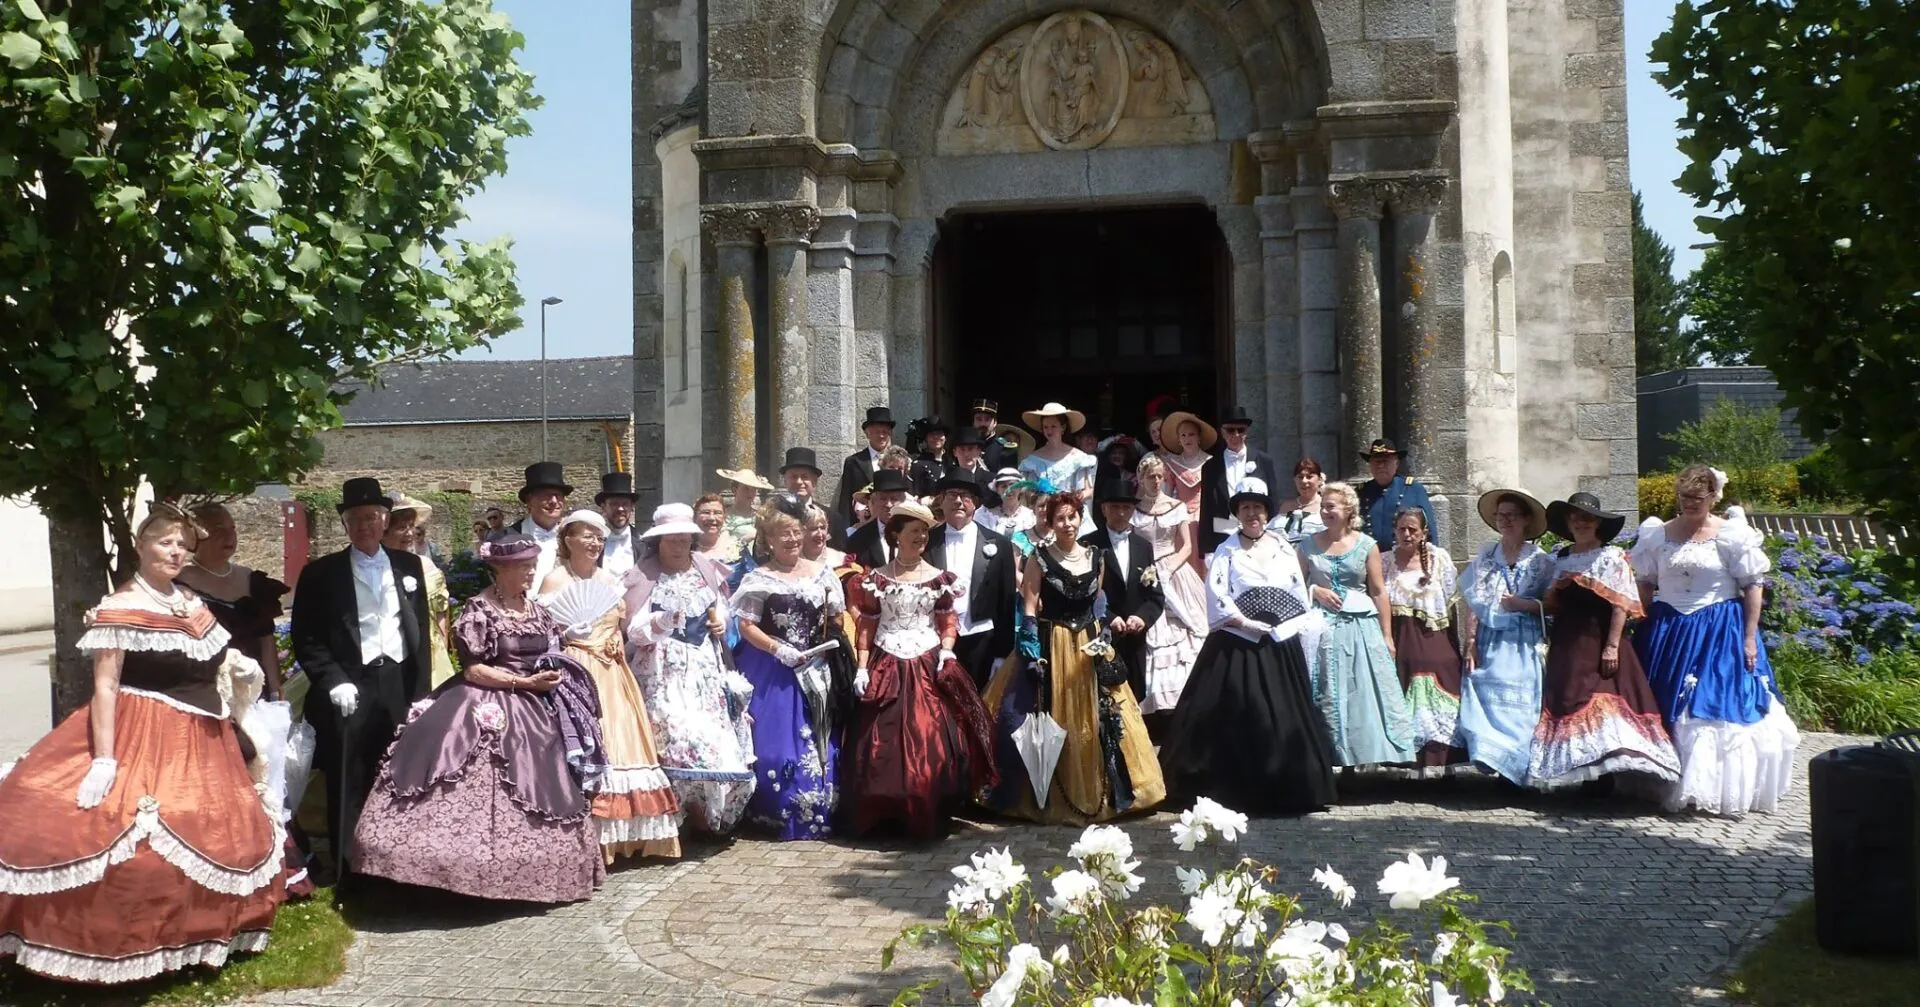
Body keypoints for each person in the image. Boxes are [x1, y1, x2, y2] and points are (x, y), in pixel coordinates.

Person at [0, 504, 286, 983]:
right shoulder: (121, 606)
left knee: (215, 830)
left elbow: (205, 660)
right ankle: (127, 942)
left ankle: (195, 936)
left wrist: (236, 667)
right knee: (125, 832)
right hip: (143, 732)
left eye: (181, 545)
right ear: (140, 546)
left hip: (204, 736)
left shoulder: (191, 602)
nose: (174, 552)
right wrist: (105, 759)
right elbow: (107, 686)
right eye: (163, 542)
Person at [351, 532, 605, 902]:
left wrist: (555, 668)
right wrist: (525, 682)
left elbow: (551, 650)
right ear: (498, 569)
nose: (530, 573)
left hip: (536, 707)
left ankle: (531, 873)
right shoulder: (479, 611)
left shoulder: (536, 610)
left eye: (532, 566)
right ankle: (447, 876)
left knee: (543, 778)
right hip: (486, 700)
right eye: (522, 567)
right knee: (460, 774)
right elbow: (473, 671)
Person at [980, 491, 1165, 824]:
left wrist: (1104, 630)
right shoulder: (1039, 558)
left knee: (1101, 716)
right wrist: (1030, 647)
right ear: (1051, 523)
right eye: (1060, 518)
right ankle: (1043, 792)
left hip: (1090, 643)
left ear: (1081, 519)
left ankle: (1105, 791)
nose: (1067, 524)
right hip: (1052, 644)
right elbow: (1030, 606)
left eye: (1072, 517)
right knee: (1046, 715)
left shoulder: (1097, 557)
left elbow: (1098, 602)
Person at [1161, 478, 1338, 814]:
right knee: (1228, 711)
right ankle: (1224, 788)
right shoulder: (1227, 550)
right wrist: (1243, 622)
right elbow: (1217, 593)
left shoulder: (1284, 547)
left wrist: (1282, 625)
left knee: (1284, 713)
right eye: (1245, 508)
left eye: (1257, 507)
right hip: (1236, 641)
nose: (1252, 514)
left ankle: (1287, 784)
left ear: (1266, 512)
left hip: (1278, 642)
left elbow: (1296, 589)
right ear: (1238, 514)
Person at [1631, 465, 1798, 815]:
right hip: (1668, 629)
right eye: (1684, 497)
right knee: (1662, 700)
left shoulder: (1731, 536)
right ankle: (1662, 778)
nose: (1690, 503)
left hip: (1719, 628)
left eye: (1698, 497)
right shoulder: (1656, 535)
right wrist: (1634, 623)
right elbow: (1645, 584)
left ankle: (1708, 787)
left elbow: (1752, 585)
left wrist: (1750, 638)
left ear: (1713, 497)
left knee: (1711, 704)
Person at [289, 477, 434, 878]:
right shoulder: (320, 574)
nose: (365, 525)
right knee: (348, 777)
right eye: (355, 518)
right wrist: (333, 679)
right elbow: (307, 636)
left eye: (372, 517)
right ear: (345, 524)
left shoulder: (409, 566)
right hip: (351, 686)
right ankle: (348, 872)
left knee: (399, 774)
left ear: (385, 520)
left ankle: (396, 866)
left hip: (399, 682)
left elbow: (419, 632)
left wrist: (422, 691)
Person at [842, 501, 998, 837]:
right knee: (877, 741)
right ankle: (884, 812)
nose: (921, 538)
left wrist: (946, 649)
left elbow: (947, 618)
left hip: (926, 660)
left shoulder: (938, 579)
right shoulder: (876, 579)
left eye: (925, 532)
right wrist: (862, 667)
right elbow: (868, 624)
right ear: (896, 534)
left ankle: (928, 805)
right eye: (914, 532)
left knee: (932, 736)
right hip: (886, 659)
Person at [539, 510, 683, 862]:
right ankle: (591, 839)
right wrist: (565, 634)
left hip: (614, 672)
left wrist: (628, 635)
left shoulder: (610, 580)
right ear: (568, 539)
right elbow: (540, 634)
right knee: (591, 745)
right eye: (586, 535)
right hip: (577, 671)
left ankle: (630, 836)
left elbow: (624, 626)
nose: (594, 543)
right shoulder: (555, 581)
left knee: (626, 744)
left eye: (599, 537)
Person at [1534, 493, 1681, 791]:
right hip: (1566, 642)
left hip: (1599, 639)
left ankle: (1604, 779)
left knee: (1602, 702)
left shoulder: (1610, 557)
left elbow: (1620, 605)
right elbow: (1548, 602)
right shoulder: (1559, 559)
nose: (1580, 523)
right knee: (1568, 700)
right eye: (1575, 518)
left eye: (1587, 518)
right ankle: (1577, 770)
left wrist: (1612, 645)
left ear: (1598, 523)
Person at [625, 505, 756, 836]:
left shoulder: (705, 570)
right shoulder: (643, 576)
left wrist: (718, 620)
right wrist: (660, 622)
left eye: (684, 540)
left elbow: (722, 608)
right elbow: (632, 630)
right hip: (661, 670)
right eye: (672, 540)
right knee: (676, 738)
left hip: (703, 669)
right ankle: (676, 814)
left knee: (715, 739)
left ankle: (706, 814)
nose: (679, 546)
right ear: (658, 543)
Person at [731, 494, 852, 839]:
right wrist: (778, 649)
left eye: (797, 532)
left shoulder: (822, 574)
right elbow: (746, 625)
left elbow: (836, 617)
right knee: (776, 745)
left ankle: (818, 810)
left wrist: (827, 641)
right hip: (773, 670)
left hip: (815, 667)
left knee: (820, 739)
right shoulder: (761, 579)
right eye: (784, 533)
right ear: (769, 539)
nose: (792, 539)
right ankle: (778, 812)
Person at [1302, 483, 1414, 767]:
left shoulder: (1366, 545)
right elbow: (1294, 584)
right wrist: (1315, 590)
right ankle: (1330, 757)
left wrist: (1387, 635)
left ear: (1349, 509)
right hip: (1322, 628)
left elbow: (1378, 591)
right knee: (1327, 691)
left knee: (1360, 691)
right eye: (1323, 506)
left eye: (1331, 506)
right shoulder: (1307, 545)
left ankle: (1361, 758)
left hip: (1360, 628)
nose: (1325, 511)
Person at [1457, 489, 1552, 785]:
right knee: (1485, 694)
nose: (1505, 521)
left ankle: (1518, 769)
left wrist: (1523, 605)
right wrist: (1470, 640)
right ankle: (1494, 760)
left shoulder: (1540, 560)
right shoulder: (1487, 554)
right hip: (1490, 637)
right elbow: (1475, 601)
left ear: (1525, 519)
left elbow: (1552, 605)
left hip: (1523, 639)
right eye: (1500, 515)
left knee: (1521, 704)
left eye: (1511, 515)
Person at [177, 502, 289, 698]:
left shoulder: (251, 580)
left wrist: (274, 688)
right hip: (208, 690)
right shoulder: (179, 584)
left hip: (254, 688)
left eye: (232, 528)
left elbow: (266, 639)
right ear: (195, 536)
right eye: (218, 530)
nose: (229, 536)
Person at [1385, 506, 1466, 771]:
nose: (1406, 534)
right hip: (1400, 637)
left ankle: (1442, 763)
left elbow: (1451, 605)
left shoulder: (1438, 557)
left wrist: (1455, 644)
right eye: (1401, 529)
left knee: (1440, 693)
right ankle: (1407, 761)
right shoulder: (1385, 560)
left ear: (1424, 532)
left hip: (1434, 636)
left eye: (1412, 530)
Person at [1081, 476, 1164, 730]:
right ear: (1104, 508)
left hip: (1135, 639)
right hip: (1101, 637)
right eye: (1115, 506)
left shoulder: (1143, 546)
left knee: (1134, 698)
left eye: (1126, 507)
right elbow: (1083, 592)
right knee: (1102, 699)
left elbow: (1155, 595)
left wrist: (1142, 617)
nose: (1121, 512)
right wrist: (1108, 616)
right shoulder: (1089, 544)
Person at [1130, 454, 1208, 720]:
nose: (1156, 481)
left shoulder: (1175, 505)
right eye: (1150, 476)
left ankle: (1186, 700)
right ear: (1140, 478)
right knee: (1152, 634)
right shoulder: (1134, 509)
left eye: (1159, 476)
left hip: (1174, 571)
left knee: (1187, 628)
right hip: (1143, 573)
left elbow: (1186, 545)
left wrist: (1168, 567)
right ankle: (1153, 703)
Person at [927, 475, 1019, 689]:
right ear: (941, 501)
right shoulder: (927, 542)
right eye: (951, 495)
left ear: (975, 504)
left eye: (965, 496)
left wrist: (1002, 654)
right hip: (936, 638)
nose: (958, 501)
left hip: (981, 639)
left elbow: (1006, 601)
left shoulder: (1000, 544)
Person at [382, 495, 458, 690]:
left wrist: (440, 645)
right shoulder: (376, 567)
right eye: (401, 528)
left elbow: (440, 612)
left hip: (429, 648)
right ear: (383, 532)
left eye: (411, 526)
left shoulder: (425, 565)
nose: (409, 534)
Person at [1198, 405, 1280, 557]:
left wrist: (1273, 536)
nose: (1235, 435)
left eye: (1241, 430)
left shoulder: (1264, 461)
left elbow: (1273, 501)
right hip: (1222, 537)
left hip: (1258, 536)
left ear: (1246, 432)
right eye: (1230, 430)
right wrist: (1207, 549)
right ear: (1222, 432)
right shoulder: (1210, 467)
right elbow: (1206, 508)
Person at [1148, 409, 1213, 573]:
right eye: (1183, 435)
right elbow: (1166, 495)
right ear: (1178, 439)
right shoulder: (1171, 463)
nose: (1187, 439)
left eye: (1191, 434)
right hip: (1181, 516)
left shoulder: (1211, 462)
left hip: (1205, 517)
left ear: (1199, 437)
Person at [1356, 439, 1435, 550]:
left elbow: (1429, 528)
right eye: (1376, 461)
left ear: (1396, 463)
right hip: (1368, 559)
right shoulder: (1361, 492)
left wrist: (1431, 558)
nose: (1381, 465)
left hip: (1403, 559)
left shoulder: (1412, 488)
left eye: (1386, 460)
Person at [1017, 402, 1098, 504]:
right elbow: (1028, 491)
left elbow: (1089, 491)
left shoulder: (1079, 457)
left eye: (1053, 426)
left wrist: (1078, 496)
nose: (1049, 430)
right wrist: (1041, 496)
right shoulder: (1033, 459)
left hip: (1072, 511)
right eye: (1045, 427)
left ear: (1063, 427)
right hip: (1044, 511)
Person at [509, 461, 574, 586]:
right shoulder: (510, 537)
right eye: (546, 495)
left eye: (558, 495)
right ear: (529, 501)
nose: (554, 501)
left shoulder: (573, 536)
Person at [837, 406, 897, 531]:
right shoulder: (853, 462)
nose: (881, 436)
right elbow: (845, 499)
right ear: (867, 434)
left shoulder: (900, 461)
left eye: (885, 432)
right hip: (864, 525)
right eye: (877, 432)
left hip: (894, 523)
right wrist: (843, 530)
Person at [847, 467, 914, 569]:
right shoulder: (858, 538)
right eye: (883, 499)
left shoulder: (916, 533)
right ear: (873, 502)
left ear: (902, 501)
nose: (888, 504)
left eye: (894, 499)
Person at [716, 467, 774, 556]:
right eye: (746, 488)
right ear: (735, 490)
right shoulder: (726, 515)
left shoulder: (761, 515)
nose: (750, 493)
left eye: (753, 489)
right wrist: (744, 540)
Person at [596, 472, 641, 576]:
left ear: (632, 507)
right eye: (614, 504)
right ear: (603, 507)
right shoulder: (593, 543)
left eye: (625, 504)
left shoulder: (644, 545)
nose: (620, 509)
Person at [1277, 458, 1328, 544]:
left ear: (1319, 479)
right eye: (1300, 477)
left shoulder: (1325, 505)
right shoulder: (1285, 506)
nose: (1304, 481)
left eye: (1309, 477)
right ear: (1295, 480)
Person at [968, 398, 1017, 474]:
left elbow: (1009, 481)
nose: (982, 424)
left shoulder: (1006, 448)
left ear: (995, 423)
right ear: (973, 422)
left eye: (987, 419)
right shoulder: (965, 446)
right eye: (979, 419)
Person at [693, 492, 742, 564]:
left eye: (717, 513)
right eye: (706, 512)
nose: (712, 518)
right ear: (695, 517)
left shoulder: (736, 549)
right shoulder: (686, 550)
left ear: (724, 518)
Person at [911, 419, 954, 497]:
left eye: (939, 433)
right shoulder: (918, 464)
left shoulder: (954, 461)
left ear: (945, 437)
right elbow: (916, 493)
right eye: (931, 434)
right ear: (926, 438)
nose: (936, 437)